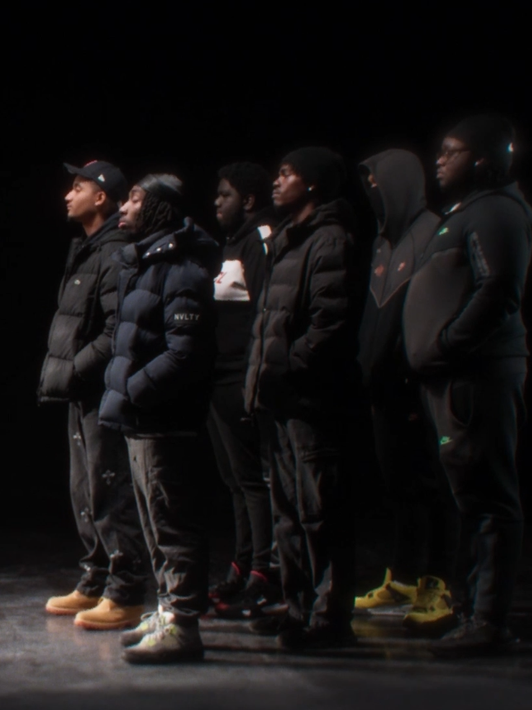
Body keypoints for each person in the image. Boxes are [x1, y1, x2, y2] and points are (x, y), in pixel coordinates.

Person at [404, 116, 532, 654]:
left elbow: (498, 288)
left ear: (482, 160)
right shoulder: (467, 212)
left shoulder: (497, 211)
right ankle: (472, 612)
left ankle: (488, 622)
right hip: (454, 378)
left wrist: (445, 345)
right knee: (470, 498)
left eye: (451, 152)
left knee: (488, 500)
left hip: (476, 377)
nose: (439, 160)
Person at [98, 174, 223, 664]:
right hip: (143, 419)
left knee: (173, 523)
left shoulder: (183, 271)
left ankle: (183, 625)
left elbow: (184, 353)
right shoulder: (145, 264)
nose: (124, 207)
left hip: (164, 419)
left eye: (134, 199)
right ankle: (169, 608)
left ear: (157, 209)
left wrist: (134, 390)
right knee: (154, 524)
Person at [242, 147, 360, 650]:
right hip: (281, 399)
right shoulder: (290, 239)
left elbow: (328, 323)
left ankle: (330, 617)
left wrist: (287, 369)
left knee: (320, 510)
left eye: (287, 174)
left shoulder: (329, 239)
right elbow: (270, 322)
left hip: (310, 400)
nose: (277, 181)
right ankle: (297, 607)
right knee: (288, 511)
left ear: (312, 184)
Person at [349, 148, 463, 631]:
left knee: (433, 489)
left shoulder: (433, 233)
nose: (372, 192)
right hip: (384, 392)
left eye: (377, 183)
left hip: (419, 389)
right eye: (367, 185)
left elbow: (431, 314)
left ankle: (440, 583)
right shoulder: (383, 241)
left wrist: (412, 372)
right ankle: (404, 576)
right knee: (399, 487)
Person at [38, 160, 149, 630]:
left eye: (77, 187)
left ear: (101, 197)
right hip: (81, 391)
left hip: (102, 390)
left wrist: (75, 371)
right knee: (84, 487)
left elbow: (116, 331)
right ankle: (96, 578)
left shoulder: (115, 251)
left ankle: (126, 591)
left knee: (109, 487)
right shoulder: (87, 249)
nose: (68, 195)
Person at [204, 162, 282, 622]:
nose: (217, 201)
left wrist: (254, 377)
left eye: (225, 194)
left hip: (242, 379)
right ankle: (244, 561)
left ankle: (264, 571)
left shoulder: (261, 239)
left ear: (249, 200)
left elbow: (266, 315)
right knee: (235, 480)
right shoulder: (231, 243)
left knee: (254, 480)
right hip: (220, 379)